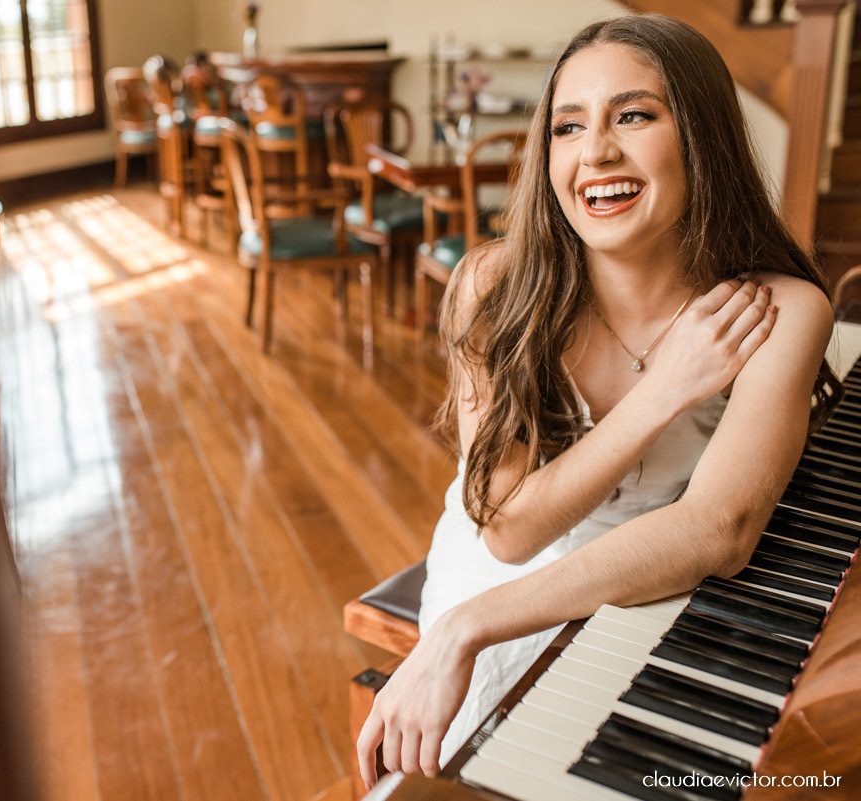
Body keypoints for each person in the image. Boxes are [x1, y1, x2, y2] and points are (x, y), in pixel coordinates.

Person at [357, 13, 842, 788]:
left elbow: (720, 528)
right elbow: (508, 534)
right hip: (493, 573)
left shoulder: (782, 309)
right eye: (567, 126)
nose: (595, 153)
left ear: (703, 136)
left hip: (653, 585)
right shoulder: (491, 287)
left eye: (634, 115)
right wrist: (664, 390)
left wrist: (462, 631)